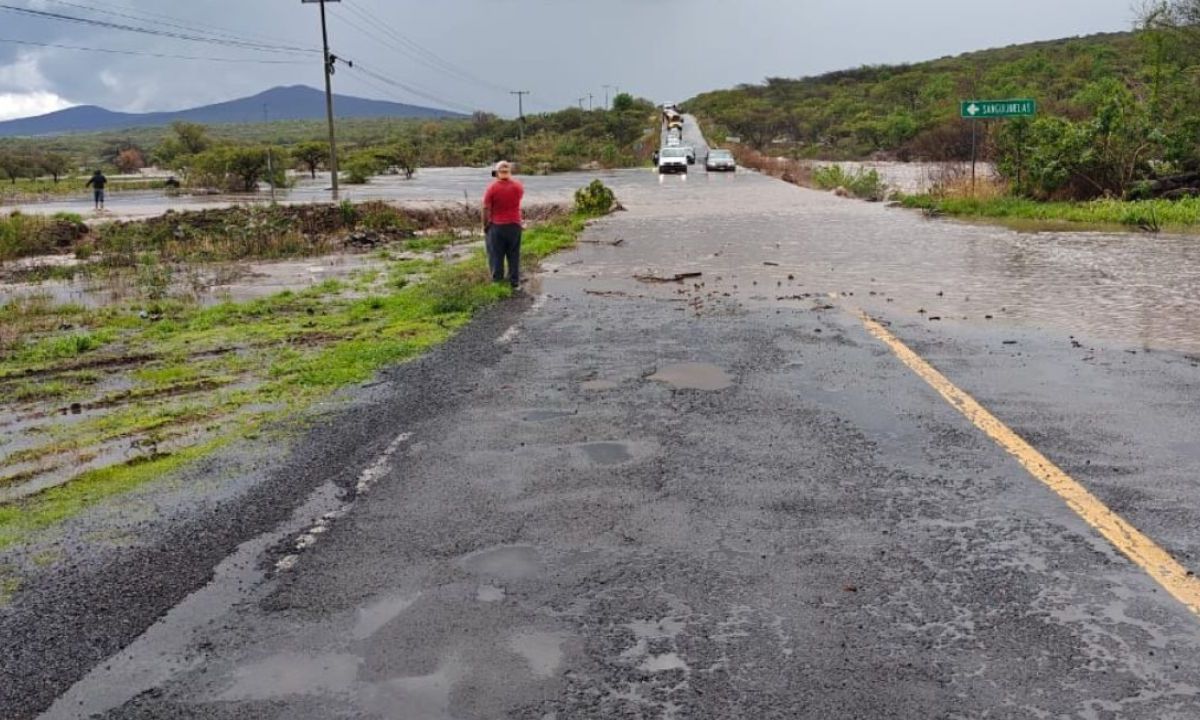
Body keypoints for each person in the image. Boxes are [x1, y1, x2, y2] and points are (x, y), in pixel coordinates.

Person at [482, 160, 524, 289]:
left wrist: (485, 225)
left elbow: (485, 208)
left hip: (497, 226)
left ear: (496, 173)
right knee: (513, 254)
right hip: (515, 225)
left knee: (496, 255)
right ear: (509, 172)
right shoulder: (518, 186)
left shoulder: (492, 188)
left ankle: (498, 282)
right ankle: (514, 282)